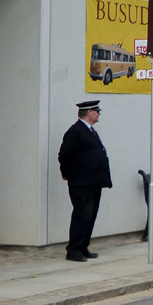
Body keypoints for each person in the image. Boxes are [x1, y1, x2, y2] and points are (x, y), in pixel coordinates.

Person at [58, 100, 112, 262]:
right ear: (89, 112)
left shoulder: (90, 131)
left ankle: (83, 246)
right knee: (82, 214)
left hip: (94, 181)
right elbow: (64, 155)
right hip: (81, 182)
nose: (99, 114)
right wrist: (66, 173)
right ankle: (74, 250)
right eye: (97, 111)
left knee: (90, 215)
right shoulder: (76, 131)